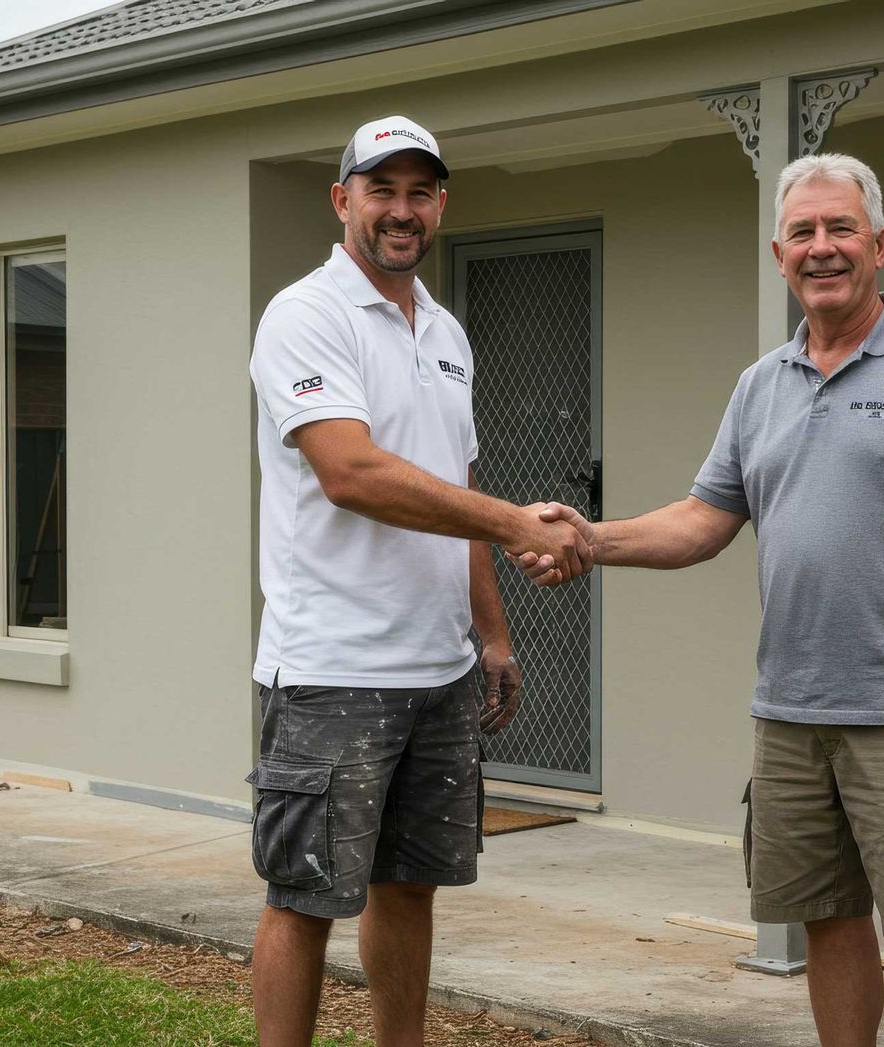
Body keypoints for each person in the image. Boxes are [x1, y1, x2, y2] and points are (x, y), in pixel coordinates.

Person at [520, 153, 884, 1046]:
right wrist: (591, 540)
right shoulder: (761, 386)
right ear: (778, 252)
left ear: (879, 242)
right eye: (803, 232)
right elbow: (703, 521)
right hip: (790, 713)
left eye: (840, 229)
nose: (821, 248)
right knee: (826, 920)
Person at [246, 115, 590, 1047]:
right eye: (381, 190)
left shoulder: (443, 331)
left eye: (419, 192)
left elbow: (455, 484)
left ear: (441, 203)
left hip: (436, 673)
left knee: (410, 886)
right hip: (333, 668)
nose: (401, 211)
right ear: (342, 199)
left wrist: (492, 633)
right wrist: (520, 522)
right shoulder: (304, 315)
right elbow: (350, 472)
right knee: (305, 896)